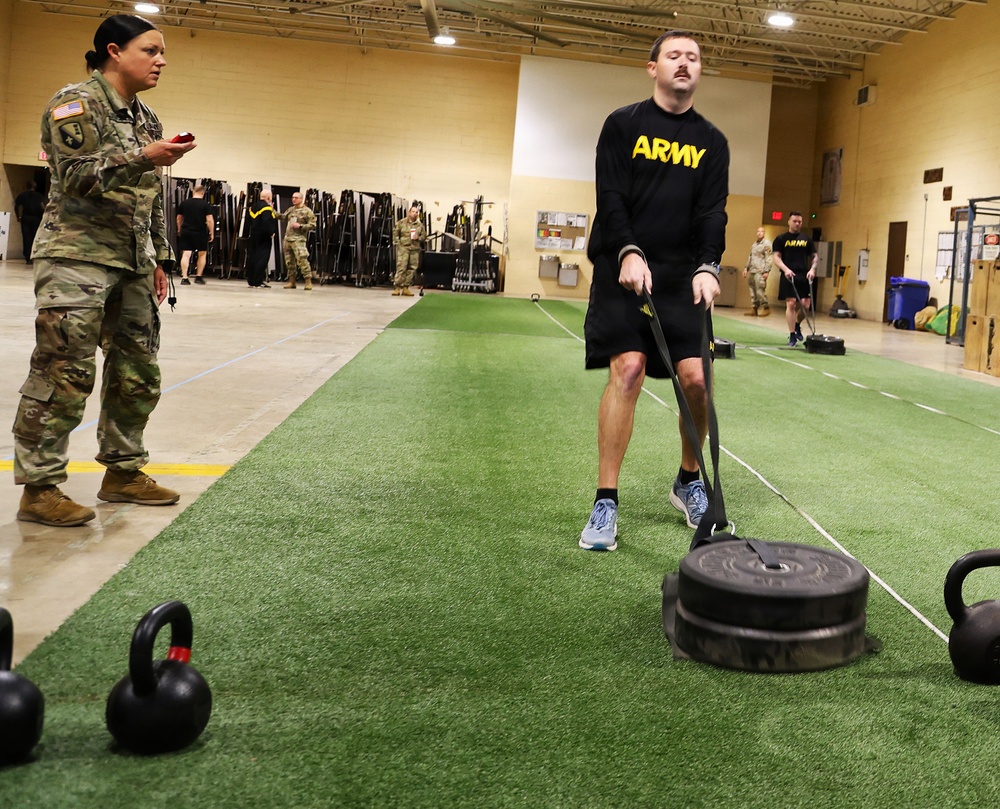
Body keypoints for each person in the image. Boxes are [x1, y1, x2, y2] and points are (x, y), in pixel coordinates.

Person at [11, 14, 195, 527]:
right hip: (77, 257)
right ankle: (41, 488)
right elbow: (73, 178)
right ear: (114, 51)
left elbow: (152, 195)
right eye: (151, 50)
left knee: (138, 371)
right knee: (64, 370)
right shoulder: (75, 103)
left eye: (162, 53)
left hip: (132, 262)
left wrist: (160, 258)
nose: (160, 61)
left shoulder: (147, 118)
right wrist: (144, 156)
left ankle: (123, 472)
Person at [580, 30, 729, 552]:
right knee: (629, 368)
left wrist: (709, 266)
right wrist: (626, 250)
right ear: (653, 67)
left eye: (693, 57)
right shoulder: (622, 125)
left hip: (681, 277)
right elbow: (612, 196)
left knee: (696, 380)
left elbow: (713, 212)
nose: (684, 64)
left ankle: (689, 478)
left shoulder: (713, 141)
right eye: (674, 56)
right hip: (625, 269)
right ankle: (605, 500)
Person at [771, 211, 817, 347]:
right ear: (789, 222)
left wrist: (813, 269)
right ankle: (792, 336)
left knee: (805, 306)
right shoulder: (781, 239)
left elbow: (814, 256)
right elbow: (776, 257)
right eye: (795, 221)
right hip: (788, 275)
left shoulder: (806, 239)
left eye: (800, 222)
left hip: (803, 275)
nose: (797, 224)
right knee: (791, 304)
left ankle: (797, 325)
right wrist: (786, 269)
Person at [277, 191, 316, 290]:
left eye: (296, 198)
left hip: (299, 240)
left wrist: (300, 226)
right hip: (288, 239)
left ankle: (308, 282)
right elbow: (282, 217)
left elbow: (313, 225)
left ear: (301, 199)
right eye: (292, 197)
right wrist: (271, 210)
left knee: (302, 260)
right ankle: (292, 282)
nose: (293, 199)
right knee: (289, 262)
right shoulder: (291, 209)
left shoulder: (307, 211)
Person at [176, 183, 214, 285]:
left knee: (186, 254)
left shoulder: (184, 203)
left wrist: (179, 229)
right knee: (202, 254)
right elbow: (209, 220)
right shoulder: (205, 204)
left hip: (187, 231)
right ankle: (198, 277)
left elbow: (179, 218)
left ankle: (184, 277)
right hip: (200, 232)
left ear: (193, 192)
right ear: (203, 193)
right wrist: (212, 233)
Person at [246, 188, 276, 288]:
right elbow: (267, 222)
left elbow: (248, 222)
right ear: (269, 197)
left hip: (254, 235)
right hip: (264, 237)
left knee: (253, 257)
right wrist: (271, 232)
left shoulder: (252, 207)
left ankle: (251, 280)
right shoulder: (266, 208)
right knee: (262, 259)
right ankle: (258, 281)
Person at [392, 204, 425, 296]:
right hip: (404, 248)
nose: (415, 214)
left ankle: (406, 287)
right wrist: (398, 243)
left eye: (416, 212)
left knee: (412, 268)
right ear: (409, 212)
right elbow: (395, 233)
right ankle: (397, 287)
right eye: (413, 212)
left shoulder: (420, 225)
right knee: (401, 267)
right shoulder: (401, 223)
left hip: (414, 249)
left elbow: (424, 236)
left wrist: (418, 237)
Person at [14, 181, 46, 264]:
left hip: (25, 218)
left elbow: (17, 206)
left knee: (26, 237)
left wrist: (18, 216)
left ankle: (27, 257)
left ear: (26, 186)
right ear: (35, 187)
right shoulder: (39, 196)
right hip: (36, 218)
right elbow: (42, 207)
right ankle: (34, 255)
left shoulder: (22, 195)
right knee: (35, 237)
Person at [742, 226, 771, 317]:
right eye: (758, 231)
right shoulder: (754, 244)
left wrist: (767, 271)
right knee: (752, 290)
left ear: (764, 233)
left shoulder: (766, 244)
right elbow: (750, 257)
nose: (759, 233)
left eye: (761, 231)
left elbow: (769, 258)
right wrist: (746, 268)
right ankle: (754, 308)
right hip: (753, 270)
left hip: (760, 270)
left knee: (759, 290)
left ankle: (765, 307)